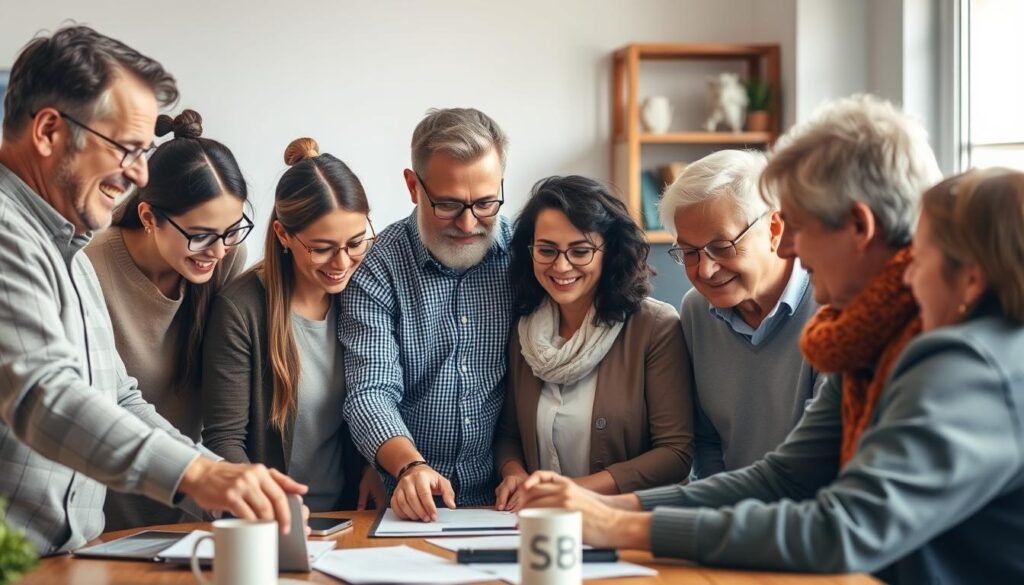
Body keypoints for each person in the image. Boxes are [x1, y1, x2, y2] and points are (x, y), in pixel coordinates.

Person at [518, 97, 1024, 585]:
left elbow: (842, 528)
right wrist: (611, 506)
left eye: (798, 227)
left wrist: (623, 526)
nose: (790, 248)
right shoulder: (863, 335)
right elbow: (782, 477)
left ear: (858, 226)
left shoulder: (963, 360)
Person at [0, 25, 305, 555]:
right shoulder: (8, 234)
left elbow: (117, 395)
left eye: (144, 152)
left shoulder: (68, 249)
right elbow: (41, 393)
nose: (139, 172)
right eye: (126, 148)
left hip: (71, 558)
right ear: (49, 131)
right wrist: (197, 475)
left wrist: (218, 478)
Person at [341, 108, 512, 521]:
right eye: (449, 204)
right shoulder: (377, 268)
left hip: (505, 503)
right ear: (413, 186)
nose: (470, 223)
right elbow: (370, 391)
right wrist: (410, 466)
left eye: (486, 202)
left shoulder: (527, 255)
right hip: (402, 503)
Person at [86, 109, 252, 530]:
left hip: (191, 510)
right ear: (147, 217)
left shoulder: (226, 261)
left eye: (232, 230)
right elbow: (110, 406)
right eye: (200, 235)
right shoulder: (89, 265)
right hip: (101, 518)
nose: (217, 250)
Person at [202, 138, 384, 512]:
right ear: (284, 235)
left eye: (356, 243)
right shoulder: (242, 310)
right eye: (322, 248)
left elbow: (379, 394)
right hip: (272, 522)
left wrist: (373, 464)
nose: (342, 262)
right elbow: (224, 440)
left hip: (350, 516)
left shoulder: (365, 294)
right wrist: (268, 507)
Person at [492, 175, 693, 510]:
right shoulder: (524, 331)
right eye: (547, 250)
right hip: (535, 521)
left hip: (622, 523)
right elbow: (509, 435)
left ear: (609, 251)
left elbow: (675, 454)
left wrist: (574, 492)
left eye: (580, 251)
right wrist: (512, 472)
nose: (561, 265)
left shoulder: (655, 327)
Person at [659, 150, 822, 478]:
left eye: (721, 247)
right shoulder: (696, 310)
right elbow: (704, 440)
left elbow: (820, 459)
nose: (705, 270)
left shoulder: (829, 306)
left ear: (775, 229)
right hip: (728, 518)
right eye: (689, 252)